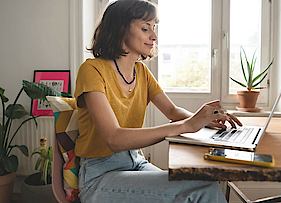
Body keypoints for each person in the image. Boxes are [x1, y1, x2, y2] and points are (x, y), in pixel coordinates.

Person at [74, 0, 242, 202]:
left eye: (154, 28)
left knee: (203, 184)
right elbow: (113, 139)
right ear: (120, 29)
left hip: (135, 162)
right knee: (202, 188)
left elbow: (172, 111)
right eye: (146, 28)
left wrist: (204, 119)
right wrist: (187, 125)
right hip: (100, 175)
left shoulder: (141, 71)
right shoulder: (92, 70)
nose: (154, 36)